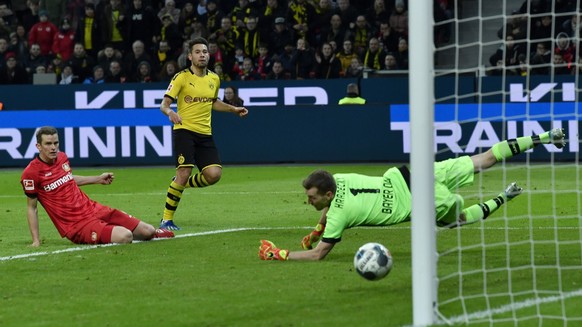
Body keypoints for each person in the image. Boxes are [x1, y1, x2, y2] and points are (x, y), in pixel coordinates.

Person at [259, 128, 567, 261]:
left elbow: (318, 255)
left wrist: (281, 254)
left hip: (422, 200)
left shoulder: (339, 215)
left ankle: (500, 198)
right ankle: (543, 137)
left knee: (455, 220)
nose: (309, 202)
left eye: (312, 198)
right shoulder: (337, 179)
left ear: (327, 194)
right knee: (484, 158)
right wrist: (315, 229)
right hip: (412, 173)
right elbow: (328, 211)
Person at [20, 126, 175, 247]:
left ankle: (147, 232)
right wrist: (36, 240)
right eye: (48, 144)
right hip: (77, 225)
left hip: (93, 209)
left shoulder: (62, 158)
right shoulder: (31, 173)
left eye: (56, 143)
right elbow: (31, 208)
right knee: (125, 236)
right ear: (38, 146)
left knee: (147, 231)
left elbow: (67, 179)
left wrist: (97, 179)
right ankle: (109, 231)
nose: (53, 147)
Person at [159, 37, 249, 230]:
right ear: (190, 56)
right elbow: (164, 104)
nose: (202, 55)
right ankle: (166, 220)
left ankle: (179, 184)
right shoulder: (181, 77)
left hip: (204, 134)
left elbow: (213, 102)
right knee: (184, 171)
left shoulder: (214, 78)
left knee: (214, 175)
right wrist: (171, 112)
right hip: (184, 130)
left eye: (205, 52)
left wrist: (234, 109)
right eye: (198, 52)